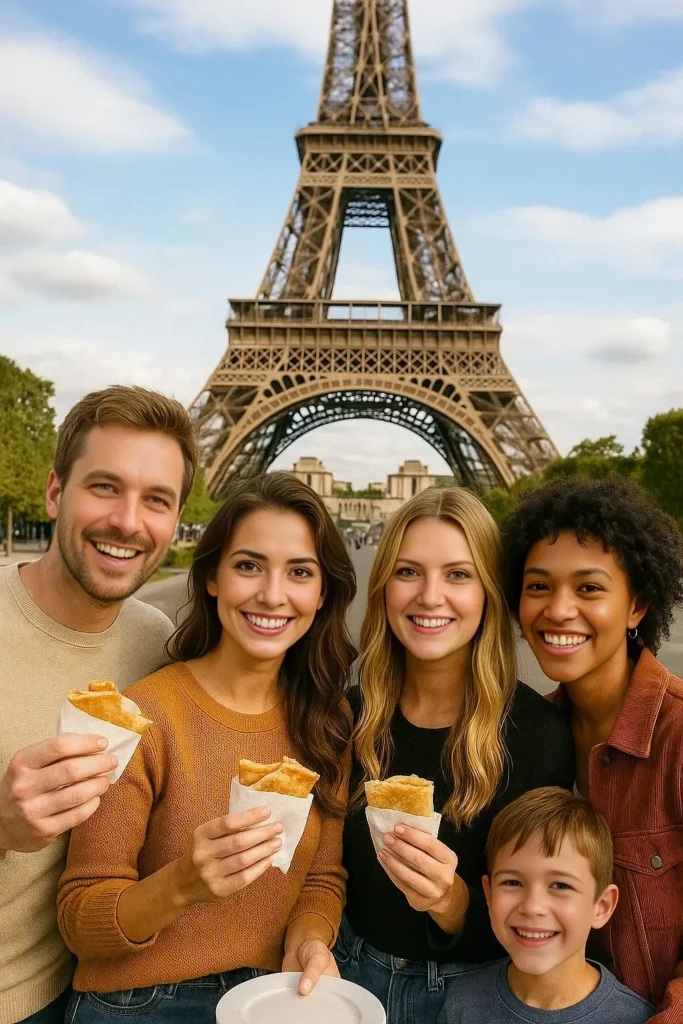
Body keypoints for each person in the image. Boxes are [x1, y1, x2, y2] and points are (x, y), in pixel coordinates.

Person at [57, 472, 356, 1024]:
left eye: (300, 572)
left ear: (322, 592)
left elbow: (321, 879)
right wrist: (181, 886)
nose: (272, 593)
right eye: (248, 565)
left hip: (272, 999)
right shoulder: (144, 716)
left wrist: (312, 939)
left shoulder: (328, 722)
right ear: (213, 576)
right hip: (139, 1004)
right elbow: (80, 918)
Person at [337, 487, 575, 1023]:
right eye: (408, 572)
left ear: (489, 591)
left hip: (474, 994)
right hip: (344, 977)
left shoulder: (538, 735)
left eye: (458, 574)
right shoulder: (345, 719)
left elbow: (544, 914)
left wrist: (450, 901)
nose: (430, 596)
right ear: (383, 588)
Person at [0, 386, 197, 1024]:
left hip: (74, 994)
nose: (129, 521)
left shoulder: (157, 649)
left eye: (157, 500)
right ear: (56, 492)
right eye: (105, 487)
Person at [501, 475, 683, 1023]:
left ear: (637, 605)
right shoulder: (523, 734)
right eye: (537, 586)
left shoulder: (678, 736)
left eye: (589, 588)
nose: (558, 610)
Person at [439, 786, 653, 1023]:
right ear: (489, 894)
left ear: (601, 906)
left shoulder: (636, 1019)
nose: (532, 906)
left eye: (561, 886)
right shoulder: (462, 1002)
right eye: (512, 882)